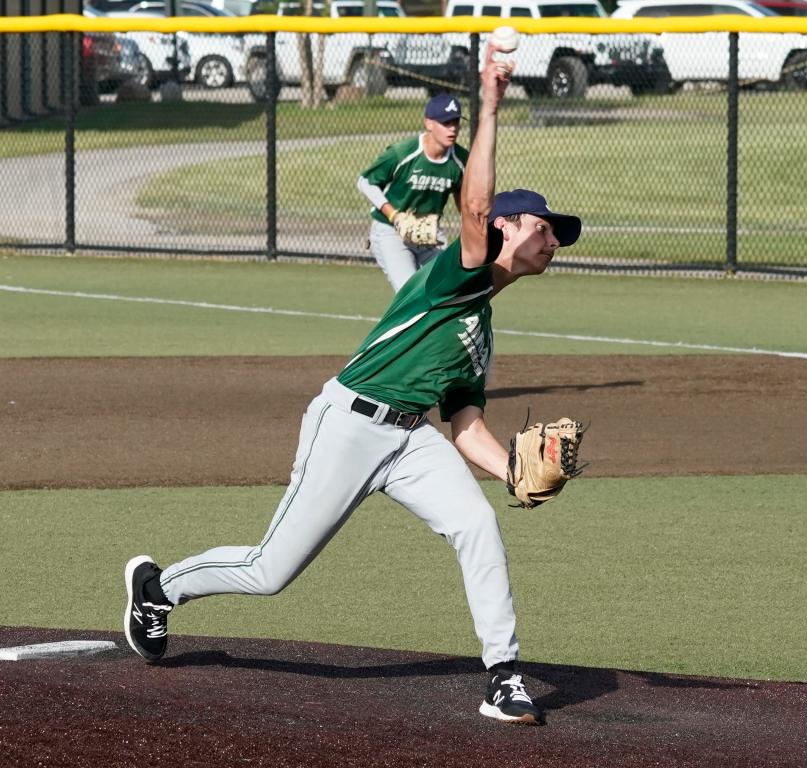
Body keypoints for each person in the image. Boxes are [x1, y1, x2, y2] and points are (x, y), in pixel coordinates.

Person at [123, 42, 581, 726]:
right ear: (504, 227)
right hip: (350, 424)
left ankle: (503, 676)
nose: (553, 240)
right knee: (269, 572)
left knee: (478, 524)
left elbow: (466, 427)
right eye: (543, 227)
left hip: (410, 441)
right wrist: (490, 101)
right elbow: (476, 202)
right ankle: (158, 589)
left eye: (556, 234)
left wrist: (513, 471)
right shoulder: (462, 269)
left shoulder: (481, 329)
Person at [357, 92, 470, 292]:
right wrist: (394, 215)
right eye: (446, 123)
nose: (452, 129)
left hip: (428, 233)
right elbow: (365, 182)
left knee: (449, 288)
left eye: (455, 123)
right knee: (410, 293)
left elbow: (464, 201)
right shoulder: (403, 152)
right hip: (391, 231)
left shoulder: (460, 160)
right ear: (429, 124)